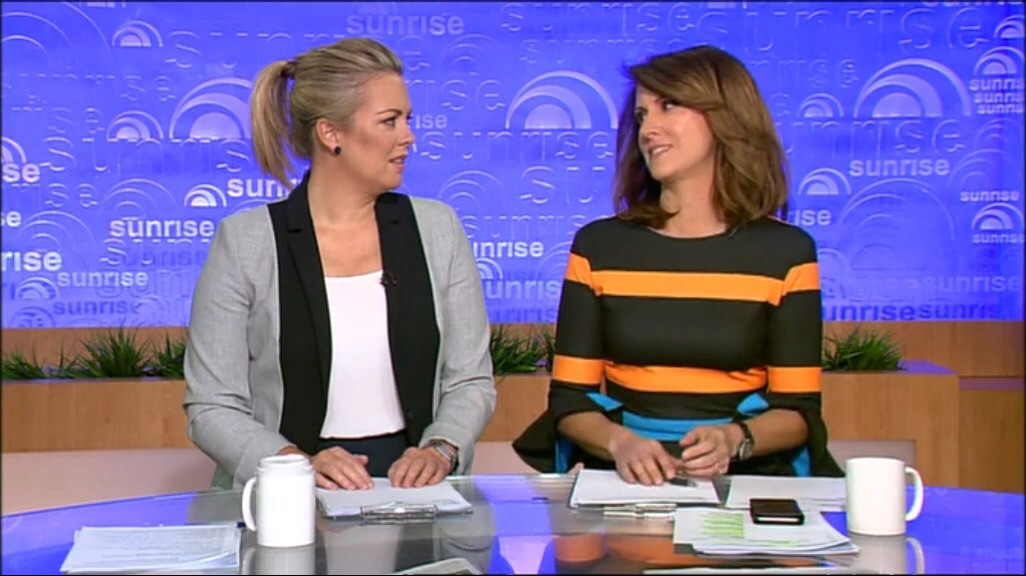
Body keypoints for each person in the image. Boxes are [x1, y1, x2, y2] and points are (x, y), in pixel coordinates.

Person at [514, 45, 842, 482]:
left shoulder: (786, 253)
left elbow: (798, 411)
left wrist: (734, 439)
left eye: (668, 106)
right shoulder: (599, 247)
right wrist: (620, 443)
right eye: (641, 115)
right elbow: (570, 402)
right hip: (627, 484)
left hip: (744, 481)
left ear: (726, 115)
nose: (649, 129)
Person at [183, 37, 496, 492]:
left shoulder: (437, 229)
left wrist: (442, 449)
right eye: (389, 121)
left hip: (415, 490)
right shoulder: (246, 242)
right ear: (331, 134)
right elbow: (212, 406)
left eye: (408, 119)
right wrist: (293, 464)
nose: (408, 136)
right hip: (288, 493)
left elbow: (470, 380)